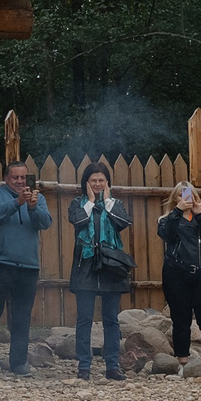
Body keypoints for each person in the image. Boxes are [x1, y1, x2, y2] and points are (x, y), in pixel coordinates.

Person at [0, 161, 54, 376]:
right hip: (1, 263)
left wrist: (31, 207)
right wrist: (16, 202)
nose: (20, 181)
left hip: (29, 266)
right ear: (6, 178)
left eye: (23, 178)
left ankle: (19, 363)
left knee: (22, 317)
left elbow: (45, 223)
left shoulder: (37, 198)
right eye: (15, 178)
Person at [68, 162, 132, 379]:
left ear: (107, 182)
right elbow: (77, 221)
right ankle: (84, 366)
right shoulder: (78, 203)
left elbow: (123, 223)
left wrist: (105, 201)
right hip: (85, 265)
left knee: (111, 319)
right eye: (93, 180)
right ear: (86, 182)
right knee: (84, 318)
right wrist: (92, 202)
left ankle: (112, 366)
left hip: (110, 266)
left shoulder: (115, 204)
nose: (97, 184)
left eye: (101, 180)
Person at [158, 181, 201, 362]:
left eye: (190, 195)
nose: (186, 199)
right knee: (181, 319)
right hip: (176, 273)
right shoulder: (167, 219)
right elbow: (166, 235)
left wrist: (200, 213)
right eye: (181, 195)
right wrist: (178, 211)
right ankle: (182, 360)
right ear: (175, 198)